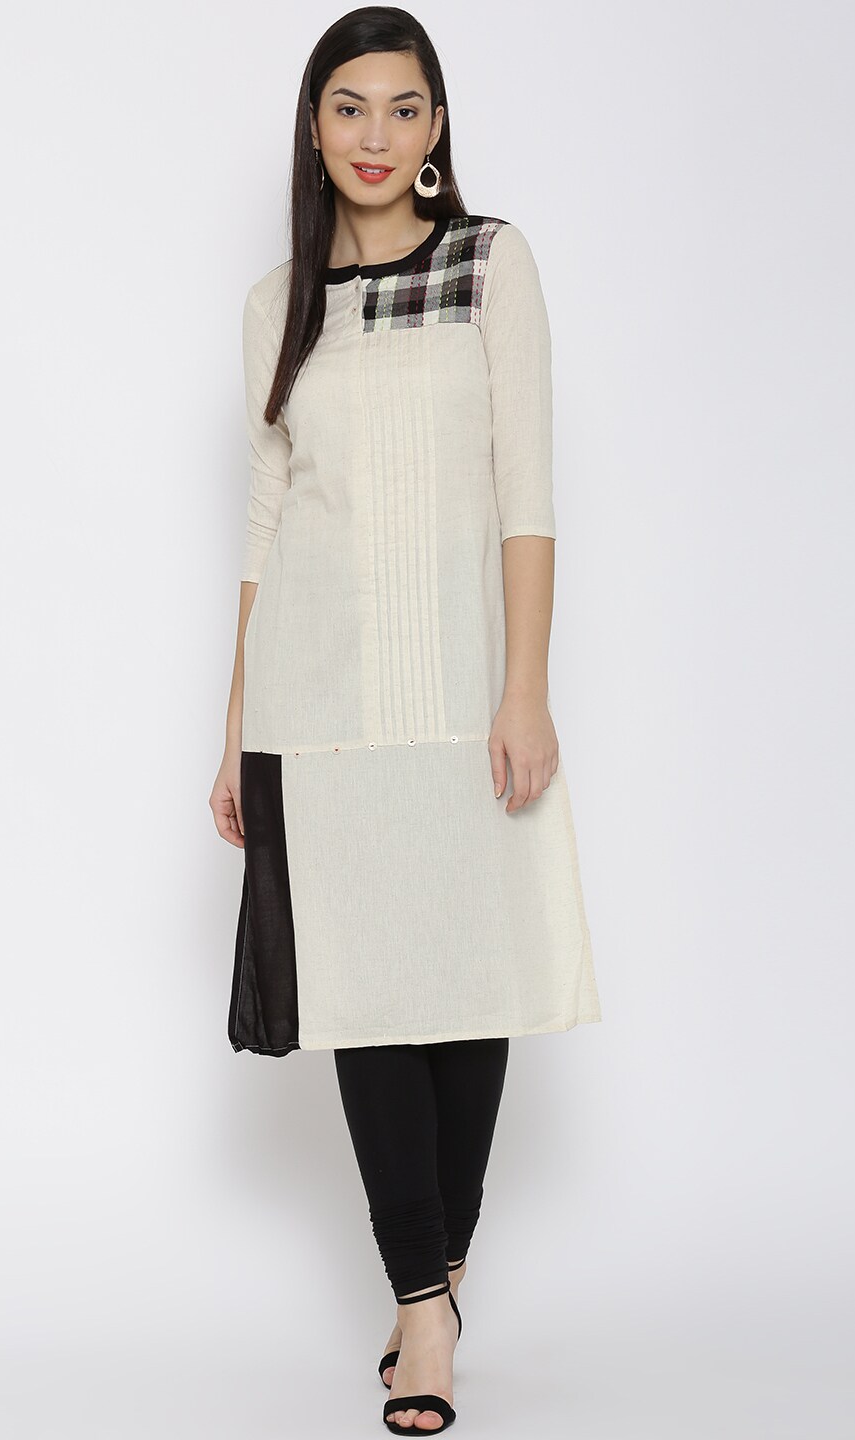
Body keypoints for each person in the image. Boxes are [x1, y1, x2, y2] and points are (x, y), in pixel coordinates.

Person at [209, 8, 602, 1432]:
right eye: (349, 107)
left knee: (468, 986)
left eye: (403, 108)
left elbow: (527, 493)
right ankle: (422, 1307)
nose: (375, 136)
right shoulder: (279, 302)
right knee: (368, 1001)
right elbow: (267, 524)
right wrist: (234, 723)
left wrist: (525, 688)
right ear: (313, 126)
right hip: (315, 702)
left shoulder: (491, 264)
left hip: (458, 693)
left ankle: (435, 1274)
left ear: (437, 128)